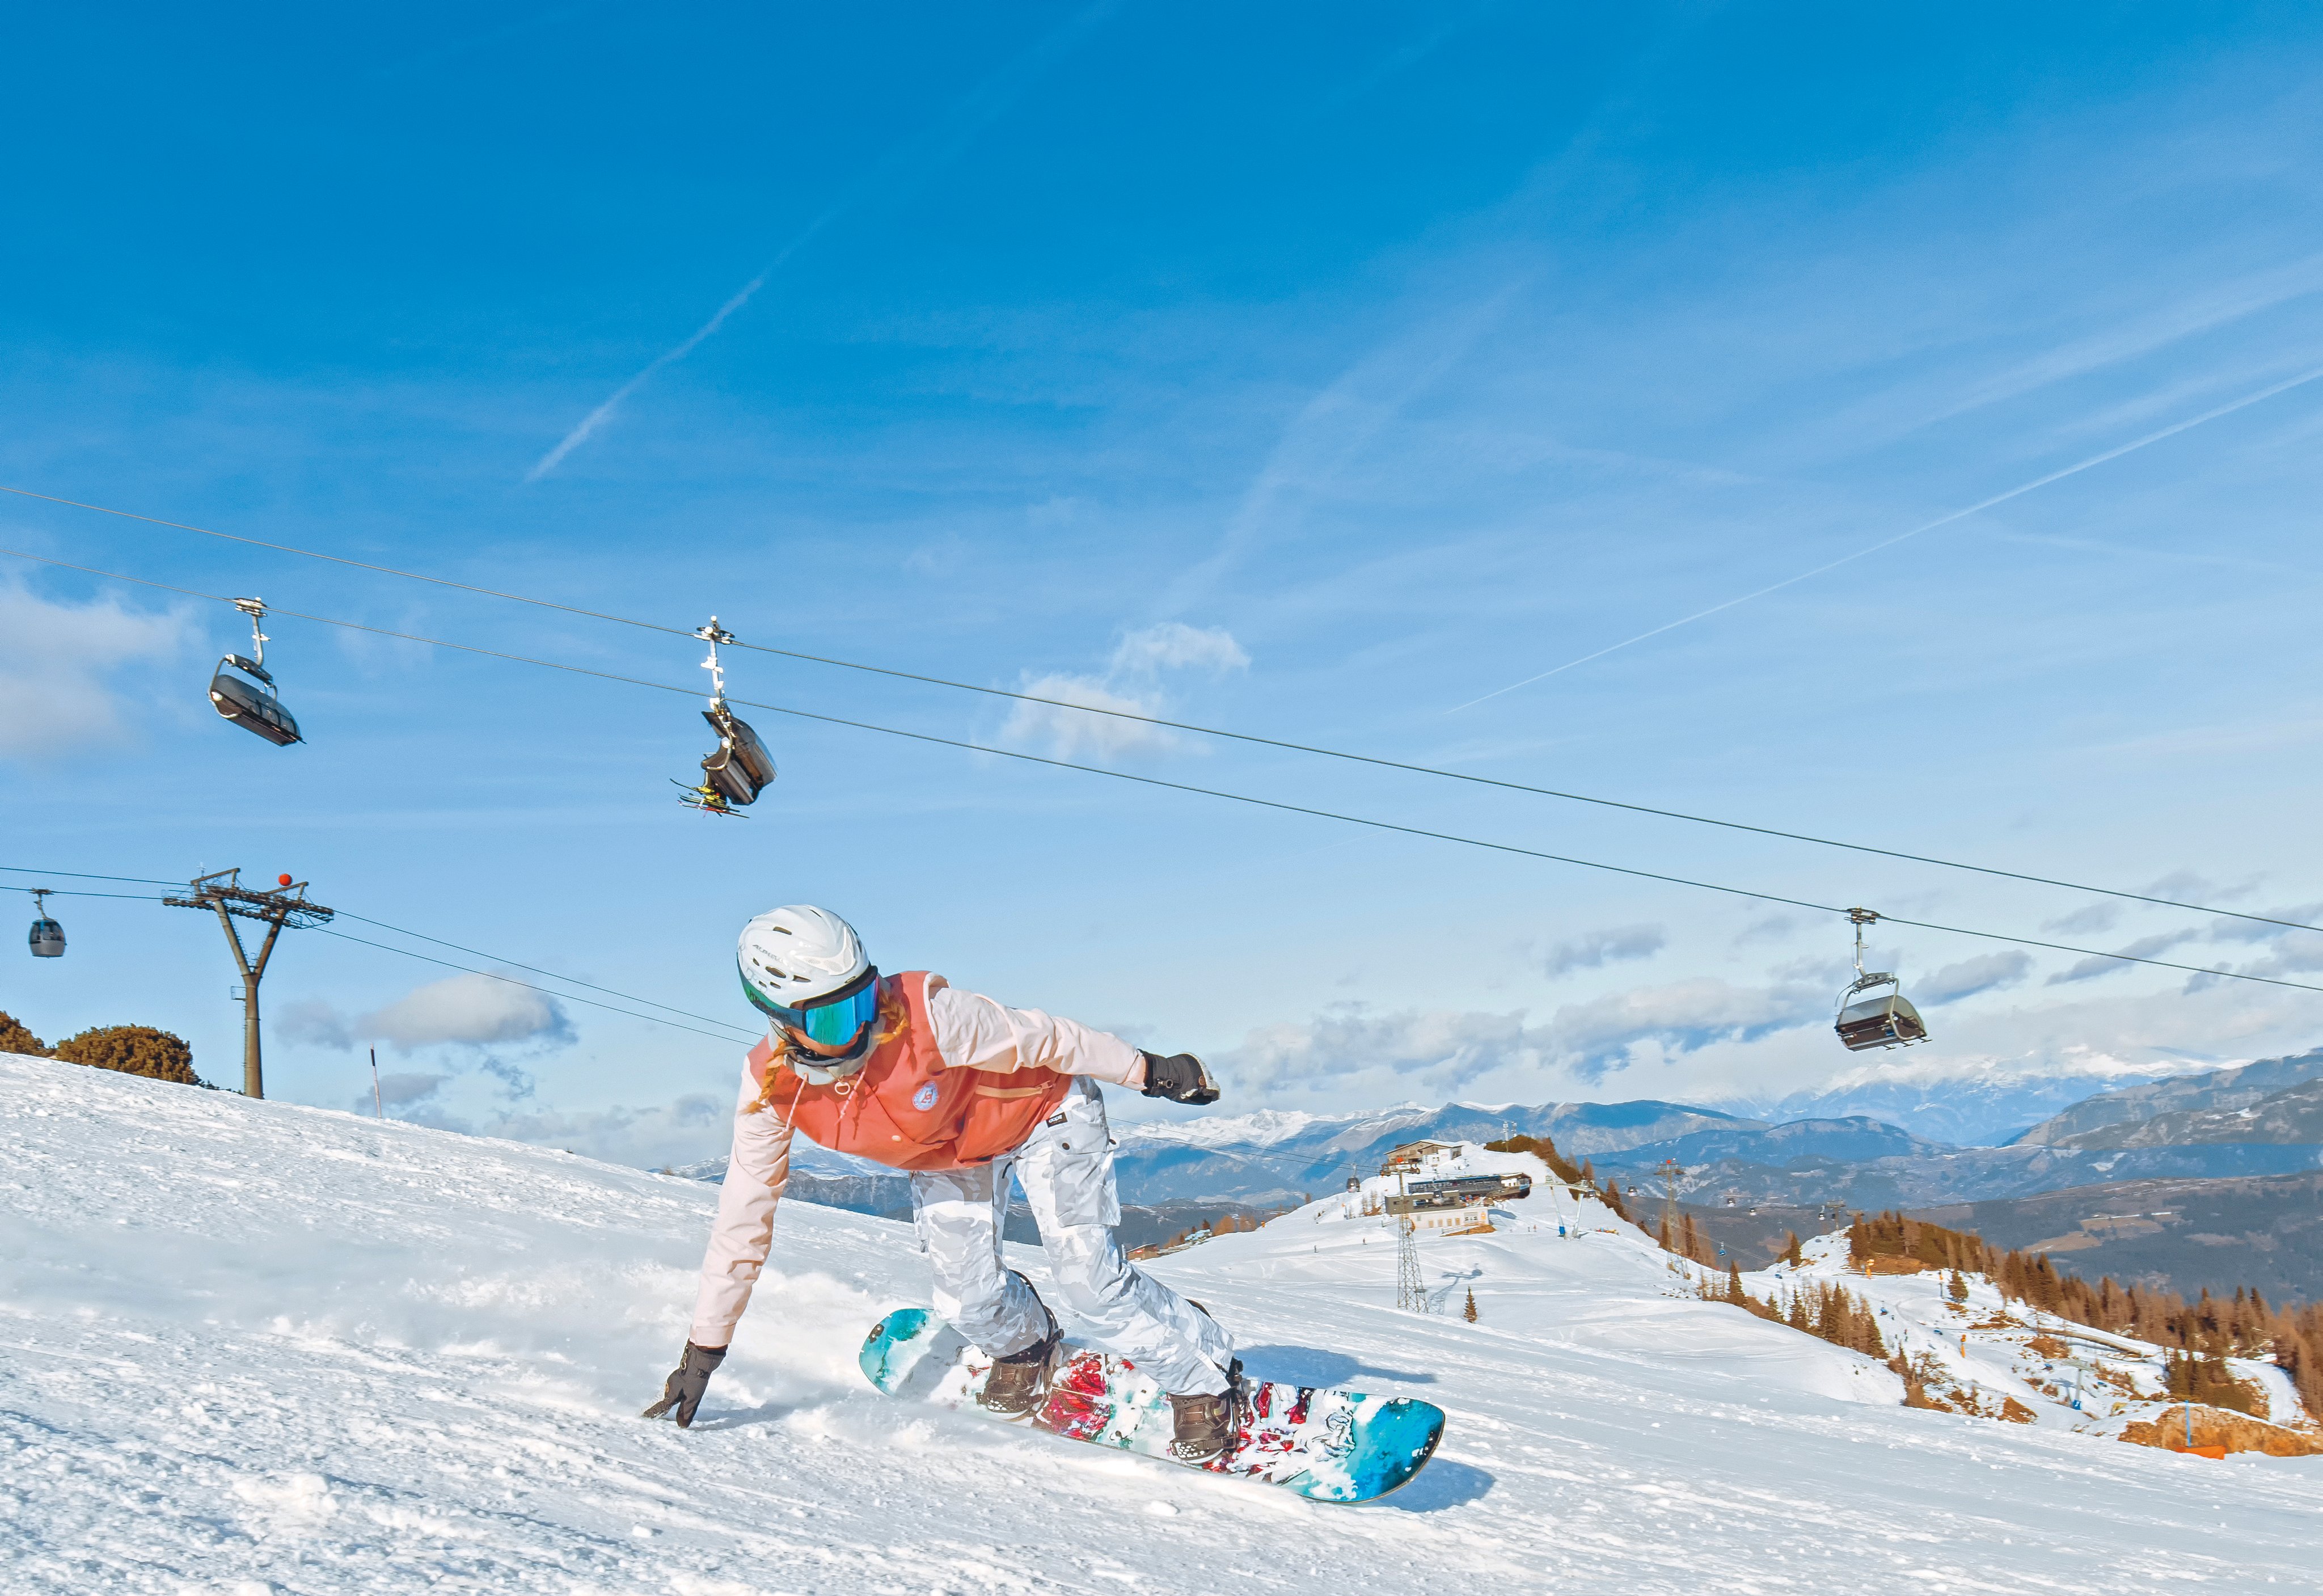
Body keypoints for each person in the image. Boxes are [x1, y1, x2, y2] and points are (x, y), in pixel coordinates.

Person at [644, 903, 1239, 1458]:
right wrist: (705, 1348)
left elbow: (1049, 1038)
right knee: (965, 1300)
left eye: (864, 997)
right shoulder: (771, 1093)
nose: (862, 1023)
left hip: (1043, 1113)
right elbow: (743, 1217)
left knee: (1090, 1282)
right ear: (782, 1021)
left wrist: (1148, 1070)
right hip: (952, 1157)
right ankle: (1026, 1344)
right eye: (834, 1015)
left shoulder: (927, 1017)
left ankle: (1203, 1372)